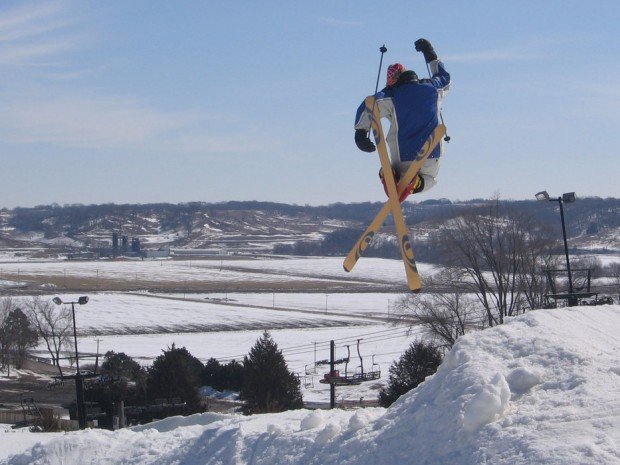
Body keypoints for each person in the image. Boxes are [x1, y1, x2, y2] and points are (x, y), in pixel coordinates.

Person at [354, 38, 451, 202]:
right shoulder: (433, 89)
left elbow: (370, 104)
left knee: (394, 170)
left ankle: (388, 173)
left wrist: (361, 133)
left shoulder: (393, 96)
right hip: (432, 155)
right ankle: (416, 183)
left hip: (404, 157)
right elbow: (444, 78)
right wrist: (430, 53)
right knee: (431, 180)